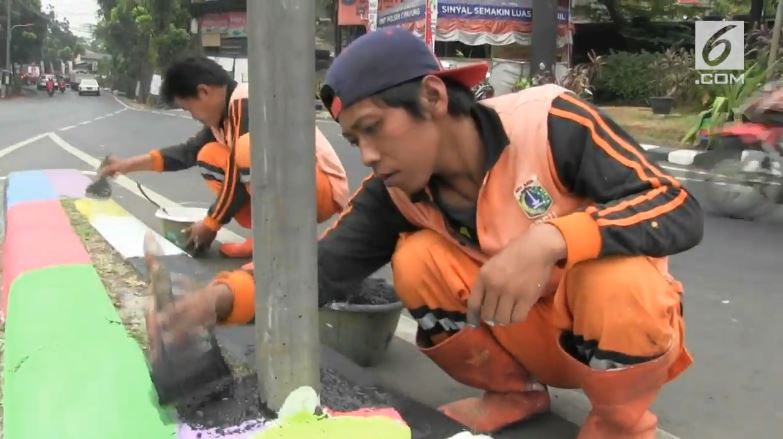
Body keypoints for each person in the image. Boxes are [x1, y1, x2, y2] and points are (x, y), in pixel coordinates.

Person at [149, 29, 704, 438]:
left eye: (374, 129)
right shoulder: (395, 189)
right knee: (415, 261)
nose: (367, 154)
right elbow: (320, 265)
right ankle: (514, 394)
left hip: (606, 333)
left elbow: (675, 205)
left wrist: (552, 240)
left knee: (623, 276)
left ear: (434, 98)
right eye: (353, 138)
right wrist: (216, 301)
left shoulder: (550, 122)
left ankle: (620, 424)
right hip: (522, 332)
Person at [100, 56, 349, 258]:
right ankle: (267, 241)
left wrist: (210, 224)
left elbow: (240, 164)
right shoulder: (223, 119)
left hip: (321, 185)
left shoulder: (246, 101)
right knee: (208, 155)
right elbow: (186, 153)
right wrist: (126, 165)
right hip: (298, 188)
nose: (193, 116)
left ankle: (280, 243)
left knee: (246, 149)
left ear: (204, 92)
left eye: (189, 109)